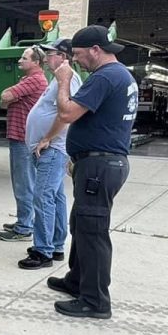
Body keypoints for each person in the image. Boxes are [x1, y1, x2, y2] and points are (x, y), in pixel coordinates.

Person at [46, 25, 137, 319]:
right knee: (81, 225)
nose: (77, 61)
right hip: (99, 163)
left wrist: (63, 80)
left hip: (100, 165)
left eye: (80, 55)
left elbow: (67, 113)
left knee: (93, 231)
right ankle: (77, 281)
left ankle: (95, 301)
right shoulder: (120, 75)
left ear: (96, 50)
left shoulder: (105, 76)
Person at [19, 40, 72, 271]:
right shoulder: (58, 80)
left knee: (42, 198)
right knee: (55, 197)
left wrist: (47, 138)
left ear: (62, 56)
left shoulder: (68, 80)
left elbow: (67, 113)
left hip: (52, 150)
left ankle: (43, 251)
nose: (47, 57)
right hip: (50, 149)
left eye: (50, 54)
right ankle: (56, 244)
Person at [0, 46, 49, 244]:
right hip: (19, 137)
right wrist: (8, 97)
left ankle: (24, 227)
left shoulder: (35, 79)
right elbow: (2, 101)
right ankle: (24, 220)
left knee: (24, 184)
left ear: (36, 62)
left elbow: (6, 97)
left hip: (23, 139)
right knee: (22, 182)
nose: (20, 60)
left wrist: (9, 96)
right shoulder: (26, 80)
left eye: (24, 57)